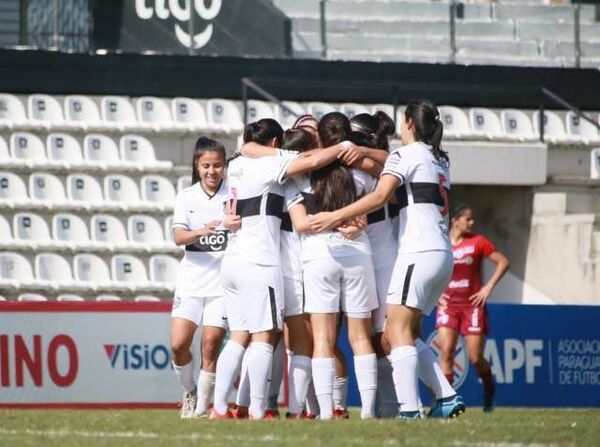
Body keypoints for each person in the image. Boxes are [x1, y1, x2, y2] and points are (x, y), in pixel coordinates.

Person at [309, 99, 465, 419]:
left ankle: (409, 408)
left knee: (396, 335)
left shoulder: (404, 155)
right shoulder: (439, 158)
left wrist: (333, 216)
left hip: (416, 252)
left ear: (408, 123)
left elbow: (381, 196)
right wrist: (367, 157)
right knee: (397, 332)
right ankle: (442, 397)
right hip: (441, 253)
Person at [211, 118, 360, 420]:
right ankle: (261, 409)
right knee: (266, 337)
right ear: (277, 145)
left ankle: (219, 407)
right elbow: (312, 160)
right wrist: (344, 145)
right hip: (263, 263)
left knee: (240, 336)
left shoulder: (237, 165)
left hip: (233, 260)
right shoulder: (274, 168)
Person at [288, 112, 380, 420]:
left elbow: (300, 222)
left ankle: (326, 411)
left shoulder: (303, 174)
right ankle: (367, 410)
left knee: (323, 340)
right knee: (360, 338)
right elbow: (386, 173)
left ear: (320, 140)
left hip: (319, 255)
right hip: (357, 253)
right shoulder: (361, 173)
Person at [170, 137, 230, 418]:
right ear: (197, 165)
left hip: (221, 285)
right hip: (192, 281)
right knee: (178, 344)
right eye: (206, 165)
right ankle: (189, 391)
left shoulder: (234, 195)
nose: (212, 171)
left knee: (210, 344)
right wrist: (200, 232)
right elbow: (178, 236)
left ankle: (203, 408)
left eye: (217, 165)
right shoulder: (187, 196)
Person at [435, 205, 509, 412]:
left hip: (472, 306)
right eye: (468, 219)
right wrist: (435, 293)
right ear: (455, 220)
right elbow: (429, 268)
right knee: (446, 352)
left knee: (476, 357)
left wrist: (488, 287)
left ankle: (489, 388)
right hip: (448, 306)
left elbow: (503, 262)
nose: (472, 223)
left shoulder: (477, 242)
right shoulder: (440, 243)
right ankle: (446, 404)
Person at [349, 111, 399, 418]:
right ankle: (384, 407)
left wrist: (364, 154)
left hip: (382, 256)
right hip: (360, 255)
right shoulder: (360, 164)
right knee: (369, 338)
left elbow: (387, 159)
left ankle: (400, 404)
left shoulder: (383, 165)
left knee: (388, 337)